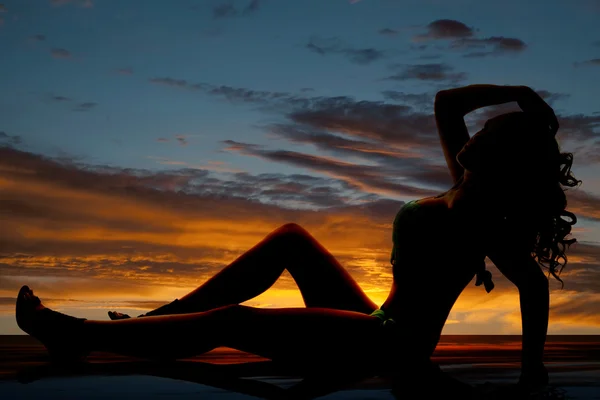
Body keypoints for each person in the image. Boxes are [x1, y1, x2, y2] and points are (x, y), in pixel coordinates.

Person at [15, 84, 580, 394]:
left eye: (490, 133)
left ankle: (74, 334)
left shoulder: (479, 217)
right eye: (482, 127)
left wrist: (533, 375)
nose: (475, 134)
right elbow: (446, 102)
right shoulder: (461, 185)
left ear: (501, 160)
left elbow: (532, 284)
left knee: (234, 322)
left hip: (391, 345)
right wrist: (522, 94)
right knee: (291, 238)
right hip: (378, 323)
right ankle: (147, 325)